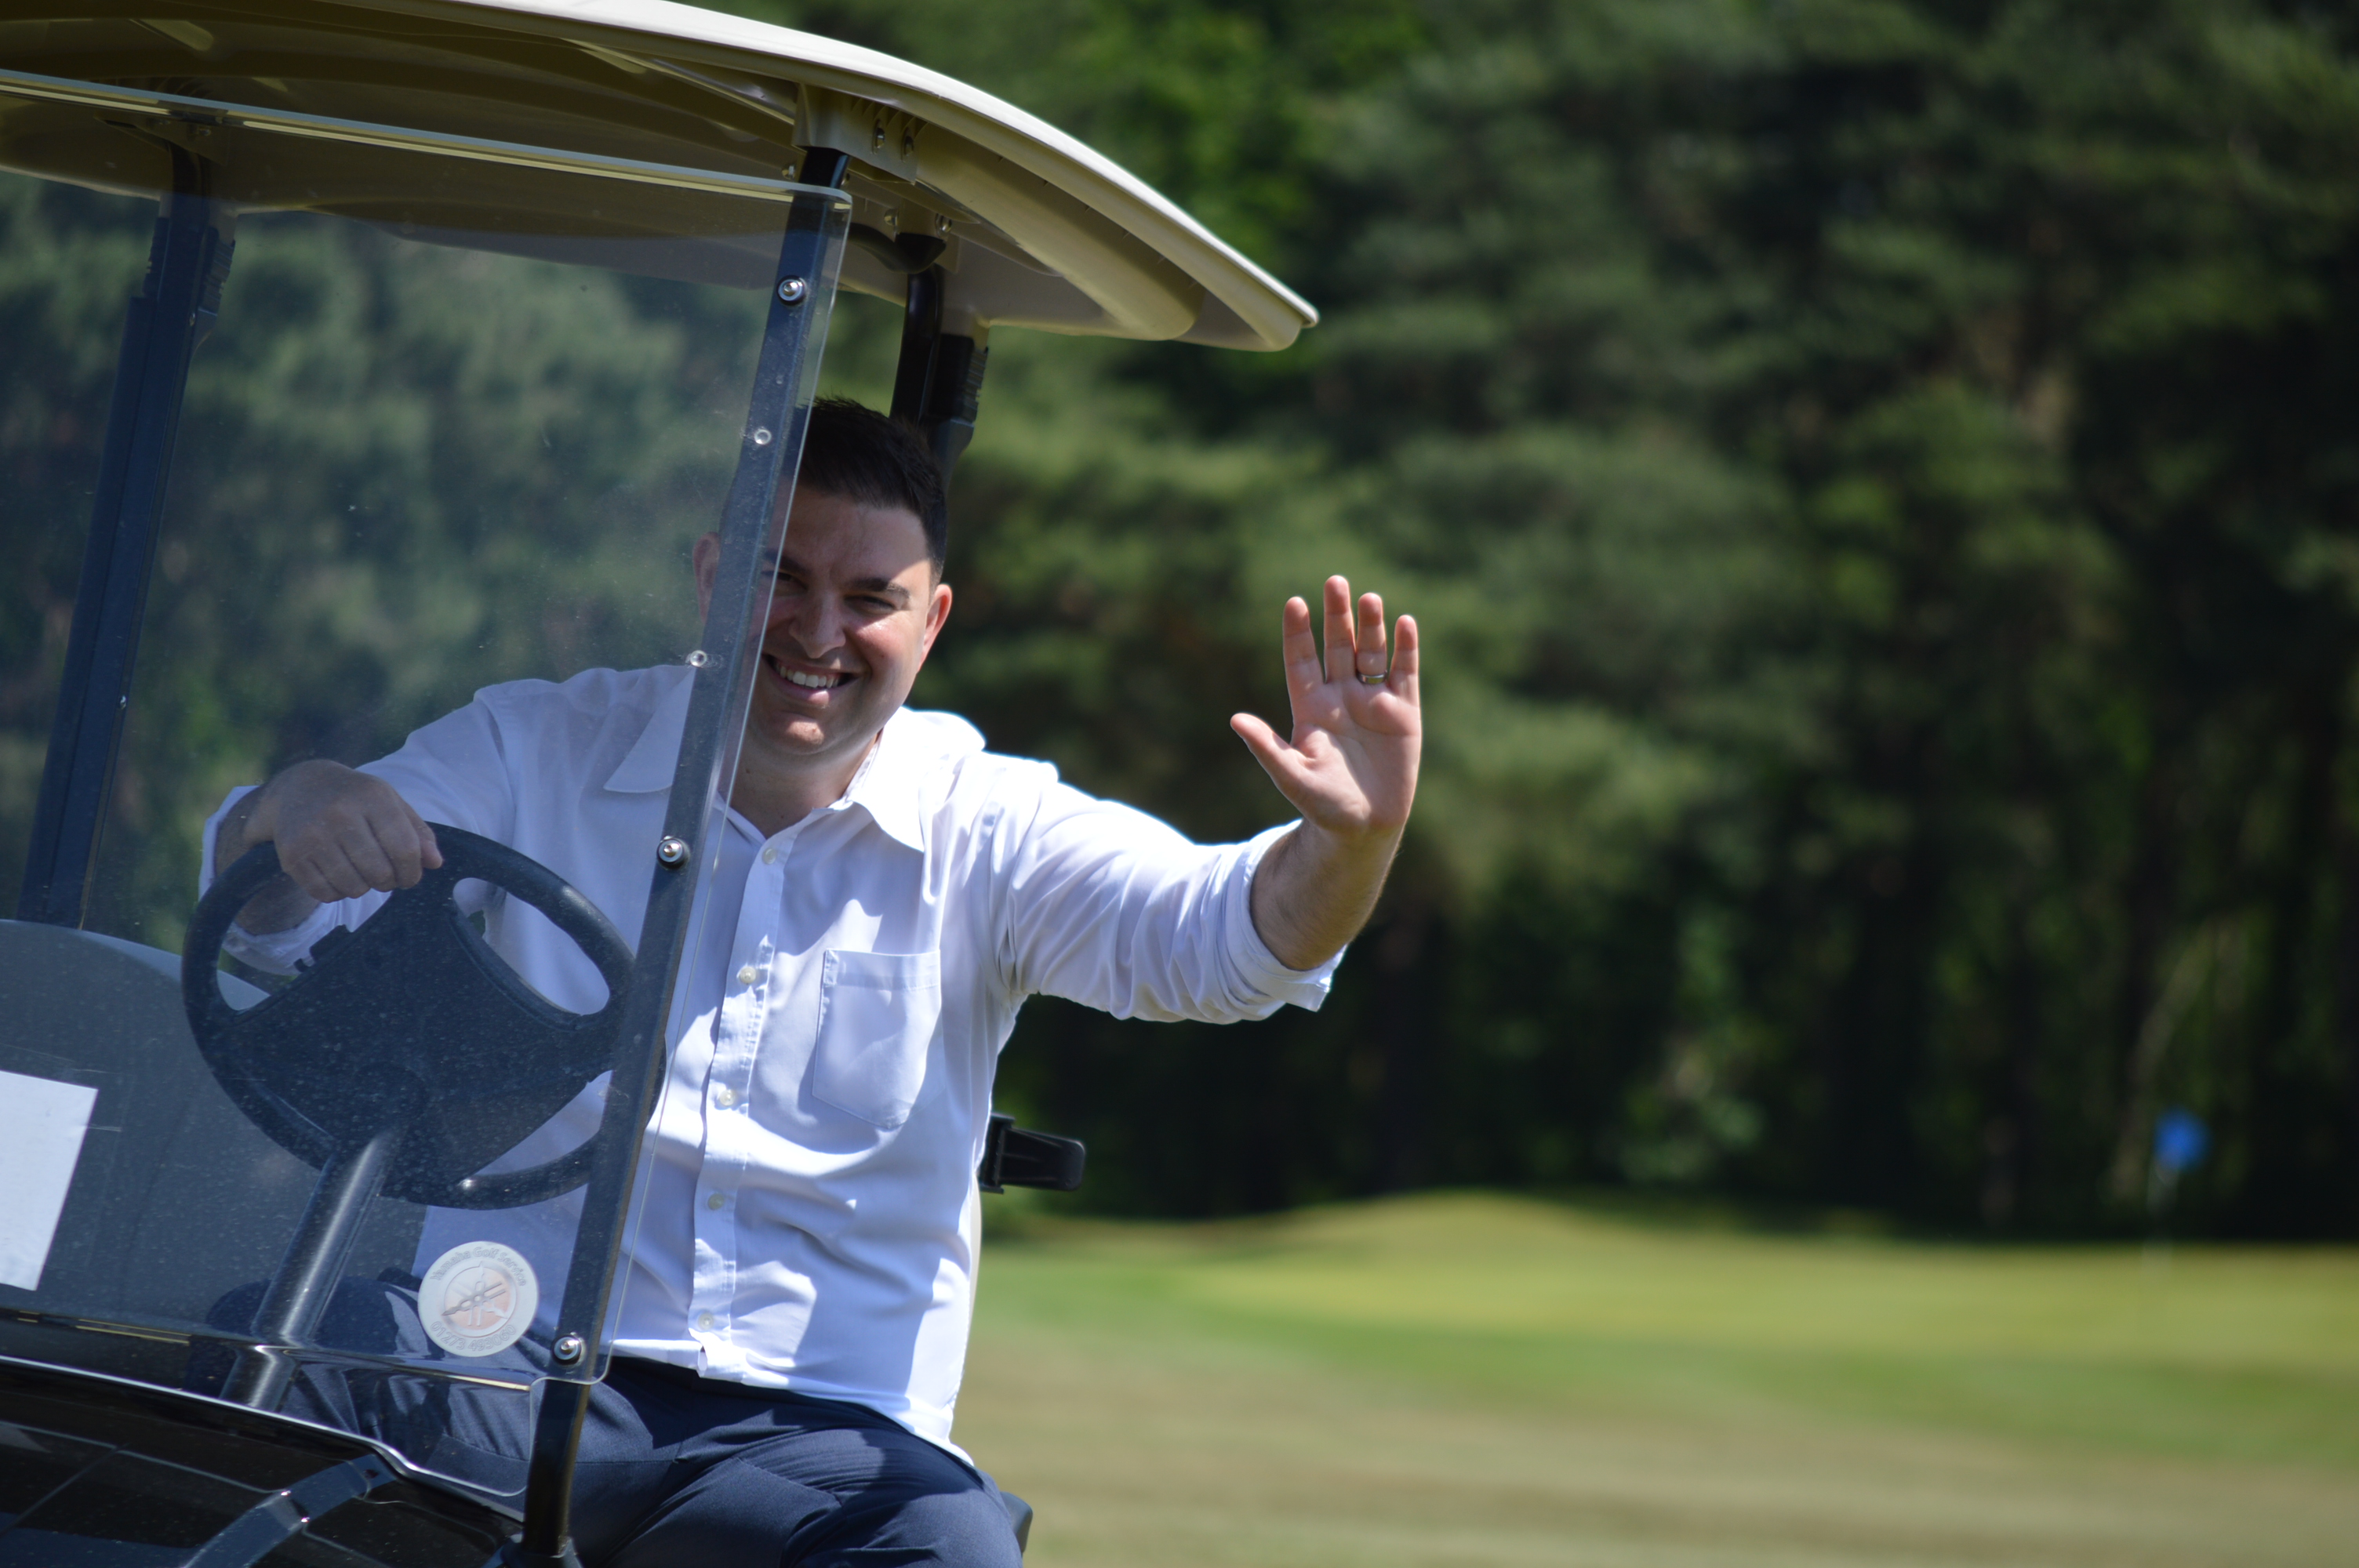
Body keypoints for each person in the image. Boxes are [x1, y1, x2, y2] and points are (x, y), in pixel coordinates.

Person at [203, 399, 1420, 1566]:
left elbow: (1224, 944)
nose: (818, 631)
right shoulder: (539, 747)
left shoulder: (988, 824)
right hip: (501, 1366)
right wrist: (294, 808)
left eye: (869, 599)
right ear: (710, 576)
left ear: (932, 622)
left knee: (944, 1543)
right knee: (241, 1367)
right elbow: (281, 911)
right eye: (781, 577)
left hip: (821, 1436)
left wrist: (1348, 847)